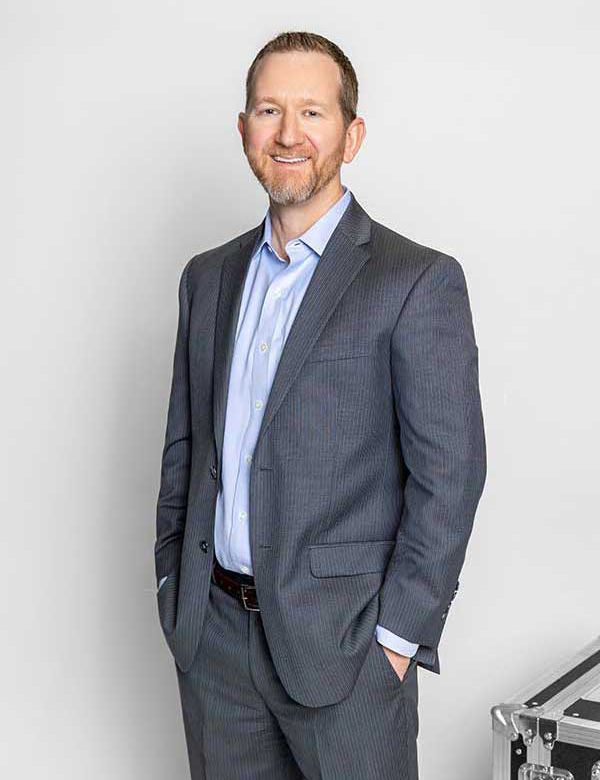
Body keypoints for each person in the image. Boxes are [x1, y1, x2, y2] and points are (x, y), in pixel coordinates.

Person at [154, 30, 487, 780]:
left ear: (352, 134)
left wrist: (396, 640)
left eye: (312, 112)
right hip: (214, 647)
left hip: (346, 654)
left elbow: (451, 477)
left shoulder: (414, 281)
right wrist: (174, 586)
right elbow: (185, 448)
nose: (288, 134)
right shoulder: (207, 278)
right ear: (244, 130)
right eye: (269, 110)